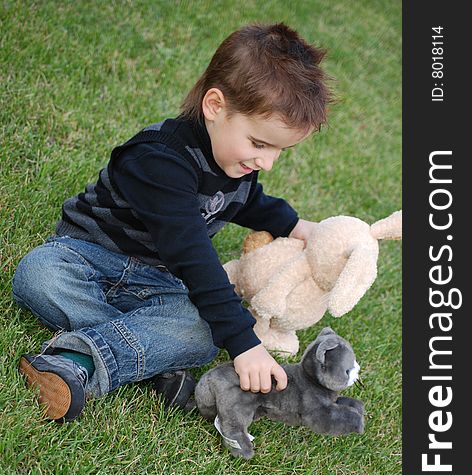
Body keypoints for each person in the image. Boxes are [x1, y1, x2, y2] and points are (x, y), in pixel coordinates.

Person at [12, 22, 333, 422]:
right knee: (38, 274)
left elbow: (249, 201)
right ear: (215, 106)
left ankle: (95, 357)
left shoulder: (236, 162)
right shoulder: (157, 159)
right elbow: (192, 255)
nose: (266, 161)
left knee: (199, 333)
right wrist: (244, 345)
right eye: (260, 144)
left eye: (279, 150)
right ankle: (132, 361)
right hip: (88, 257)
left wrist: (299, 227)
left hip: (156, 281)